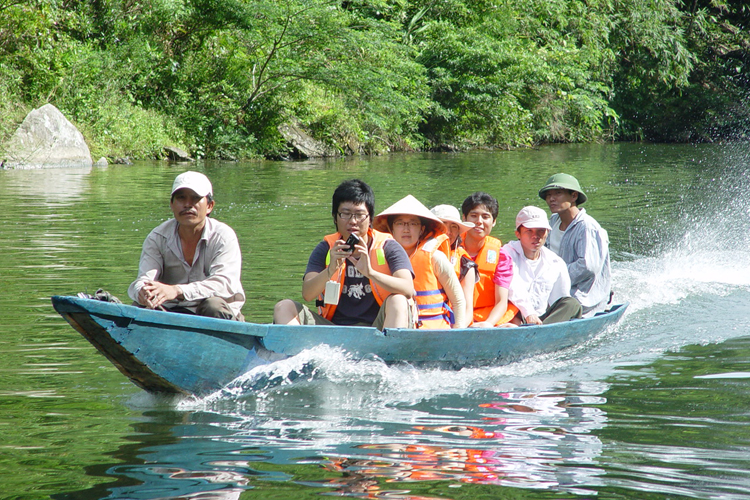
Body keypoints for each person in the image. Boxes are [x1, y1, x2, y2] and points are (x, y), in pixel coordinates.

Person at [273, 179, 415, 329]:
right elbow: (307, 294)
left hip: (378, 327)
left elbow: (407, 289)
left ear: (370, 218)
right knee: (283, 307)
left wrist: (370, 273)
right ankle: (296, 352)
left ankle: (389, 350)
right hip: (335, 329)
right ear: (335, 217)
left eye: (359, 215)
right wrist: (330, 270)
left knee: (398, 300)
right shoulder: (326, 248)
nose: (353, 221)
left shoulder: (388, 247)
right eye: (345, 214)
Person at [127, 171, 245, 320]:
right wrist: (143, 292)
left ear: (209, 206)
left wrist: (177, 290)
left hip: (216, 314)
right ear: (171, 204)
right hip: (172, 312)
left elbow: (223, 284)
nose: (188, 204)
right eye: (181, 198)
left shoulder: (223, 236)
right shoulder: (157, 237)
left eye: (195, 198)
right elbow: (143, 280)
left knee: (212, 306)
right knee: (140, 306)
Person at [374, 195, 468, 329]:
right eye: (400, 223)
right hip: (396, 324)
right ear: (391, 228)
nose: (406, 229)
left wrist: (458, 333)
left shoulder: (435, 257)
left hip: (433, 329)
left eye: (413, 223)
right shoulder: (379, 257)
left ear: (422, 229)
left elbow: (458, 299)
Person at [539, 173, 612, 316]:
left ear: (574, 196)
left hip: (582, 297)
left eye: (558, 193)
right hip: (552, 289)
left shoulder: (587, 227)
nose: (551, 199)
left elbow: (587, 267)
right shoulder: (554, 221)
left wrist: (554, 278)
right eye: (548, 195)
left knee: (566, 304)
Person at [500, 206, 582, 325]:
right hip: (514, 315)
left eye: (541, 231)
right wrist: (528, 313)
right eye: (529, 231)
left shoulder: (556, 262)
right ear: (518, 234)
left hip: (541, 320)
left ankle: (540, 331)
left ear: (547, 233)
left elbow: (558, 299)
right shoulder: (506, 253)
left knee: (572, 304)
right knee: (510, 305)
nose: (536, 236)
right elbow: (513, 287)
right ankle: (532, 330)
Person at [459, 192, 518, 326]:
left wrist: (488, 324)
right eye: (473, 216)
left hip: (486, 315)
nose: (479, 221)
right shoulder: (451, 248)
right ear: (464, 218)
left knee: (513, 320)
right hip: (456, 313)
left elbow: (501, 301)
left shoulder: (501, 256)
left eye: (485, 216)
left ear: (494, 222)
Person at [430, 204, 477, 325]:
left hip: (451, 325)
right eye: (442, 225)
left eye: (454, 227)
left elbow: (467, 310)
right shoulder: (415, 253)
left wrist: (456, 331)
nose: (448, 232)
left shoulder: (465, 265)